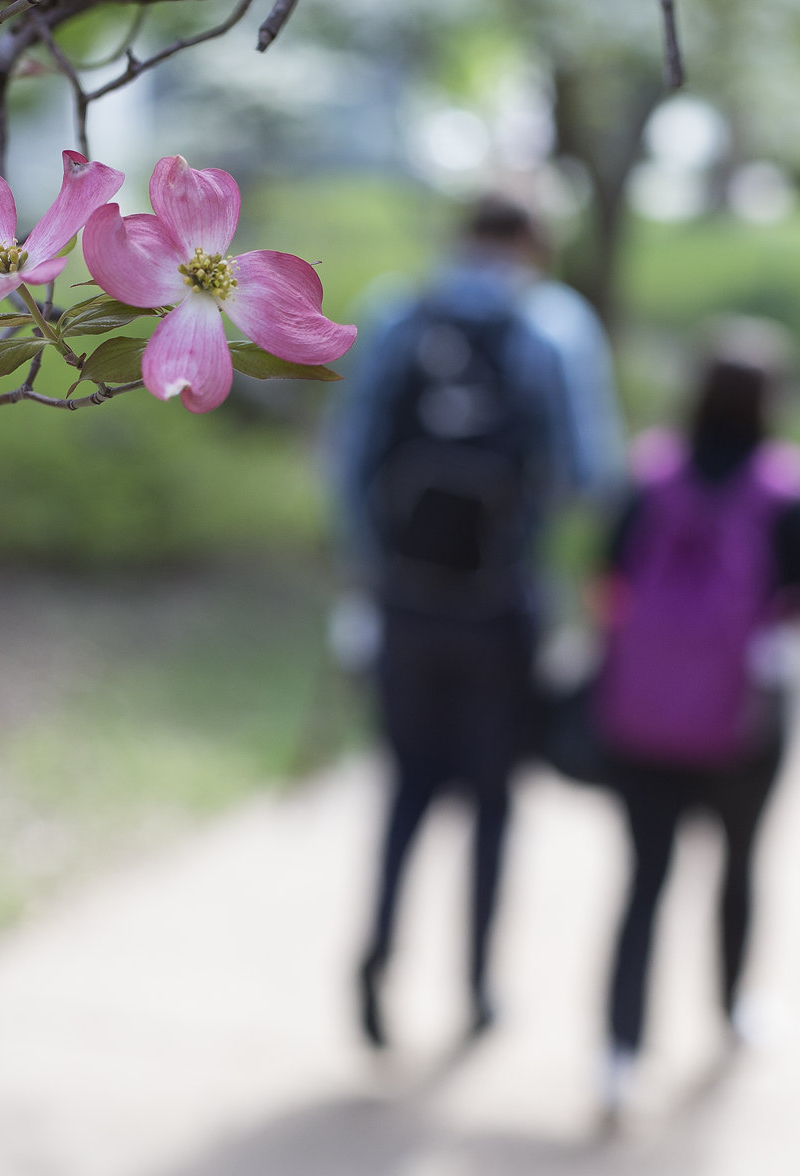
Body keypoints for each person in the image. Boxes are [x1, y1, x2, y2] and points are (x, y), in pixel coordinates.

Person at [329, 194, 622, 1050]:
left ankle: (379, 952)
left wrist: (375, 561)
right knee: (494, 802)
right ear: (534, 243)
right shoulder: (555, 326)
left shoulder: (396, 312)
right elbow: (588, 475)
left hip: (406, 601)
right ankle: (479, 984)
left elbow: (348, 461)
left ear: (463, 235)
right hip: (503, 607)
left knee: (408, 787)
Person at [590, 319, 800, 1113]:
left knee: (643, 883)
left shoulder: (652, 475)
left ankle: (619, 1054)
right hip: (744, 725)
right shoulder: (787, 489)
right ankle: (730, 1013)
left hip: (644, 719)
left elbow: (605, 578)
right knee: (737, 868)